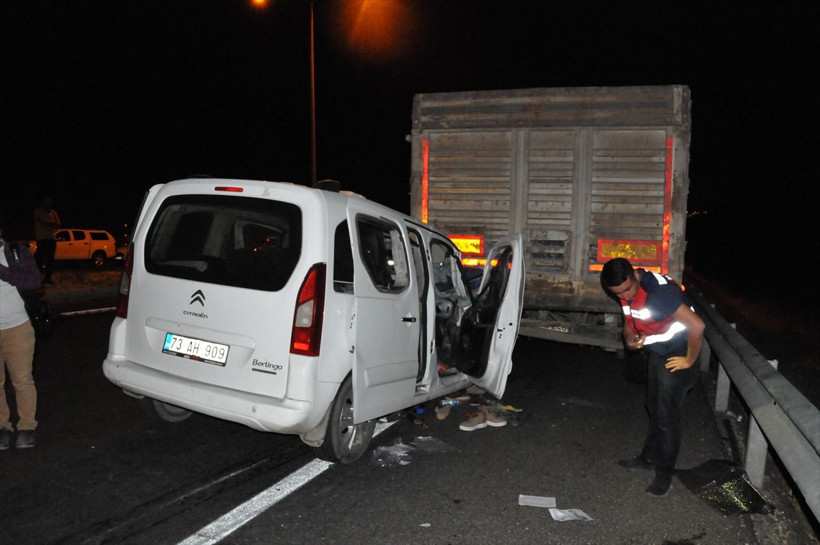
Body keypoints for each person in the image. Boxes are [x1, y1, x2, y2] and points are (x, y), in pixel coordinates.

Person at [601, 257, 705, 498]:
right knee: (653, 405)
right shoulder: (626, 289)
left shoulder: (659, 294)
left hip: (680, 351)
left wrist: (689, 360)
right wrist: (629, 338)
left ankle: (664, 475)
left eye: (627, 290)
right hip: (660, 350)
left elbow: (697, 326)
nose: (624, 296)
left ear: (635, 276)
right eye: (617, 293)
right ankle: (648, 459)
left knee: (667, 414)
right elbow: (630, 321)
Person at [0, 209, 42, 449]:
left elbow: (33, 281)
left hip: (17, 327)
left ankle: (27, 426)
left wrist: (3, 271)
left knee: (22, 380)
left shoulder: (16, 252)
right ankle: (2, 427)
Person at [33, 194, 61, 284]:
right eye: (47, 201)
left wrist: (49, 223)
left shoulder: (53, 213)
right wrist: (52, 224)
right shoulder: (37, 212)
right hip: (41, 239)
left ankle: (48, 278)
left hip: (51, 239)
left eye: (50, 202)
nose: (49, 203)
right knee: (39, 260)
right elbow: (43, 223)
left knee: (50, 260)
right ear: (42, 202)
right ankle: (37, 278)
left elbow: (58, 224)